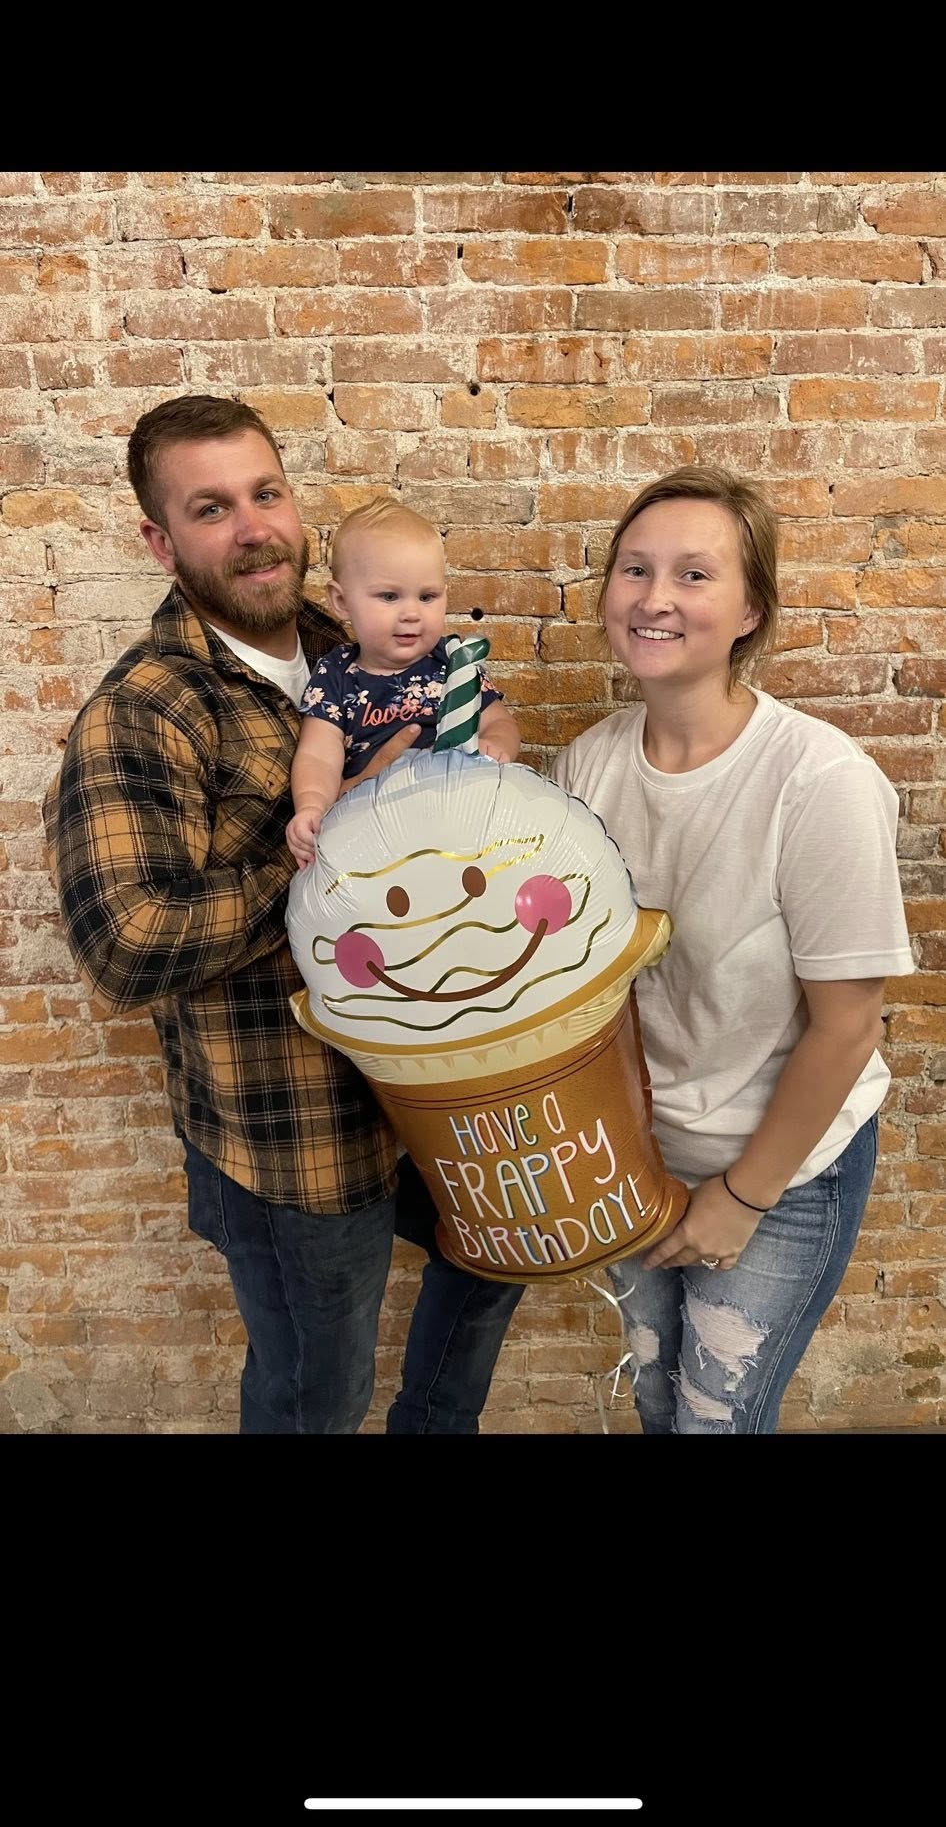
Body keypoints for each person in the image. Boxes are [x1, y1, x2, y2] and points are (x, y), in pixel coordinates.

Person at [43, 394, 525, 1434]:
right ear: (158, 540)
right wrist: (337, 840)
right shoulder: (144, 710)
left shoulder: (362, 639)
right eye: (212, 507)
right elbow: (126, 948)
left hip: (437, 1085)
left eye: (266, 492)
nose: (254, 526)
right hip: (295, 1141)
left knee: (502, 1253)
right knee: (316, 1394)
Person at [551, 465, 914, 1435]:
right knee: (657, 1403)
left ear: (751, 608)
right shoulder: (586, 764)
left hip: (778, 1172)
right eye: (634, 568)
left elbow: (846, 1030)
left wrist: (738, 1198)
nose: (654, 597)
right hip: (637, 1164)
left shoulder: (818, 781)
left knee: (716, 1420)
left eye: (693, 574)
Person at [286, 496, 520, 867]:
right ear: (342, 601)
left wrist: (496, 744)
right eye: (389, 596)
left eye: (427, 596)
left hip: (458, 826)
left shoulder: (453, 664)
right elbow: (317, 754)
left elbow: (499, 720)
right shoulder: (335, 674)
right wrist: (313, 807)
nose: (412, 613)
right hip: (372, 835)